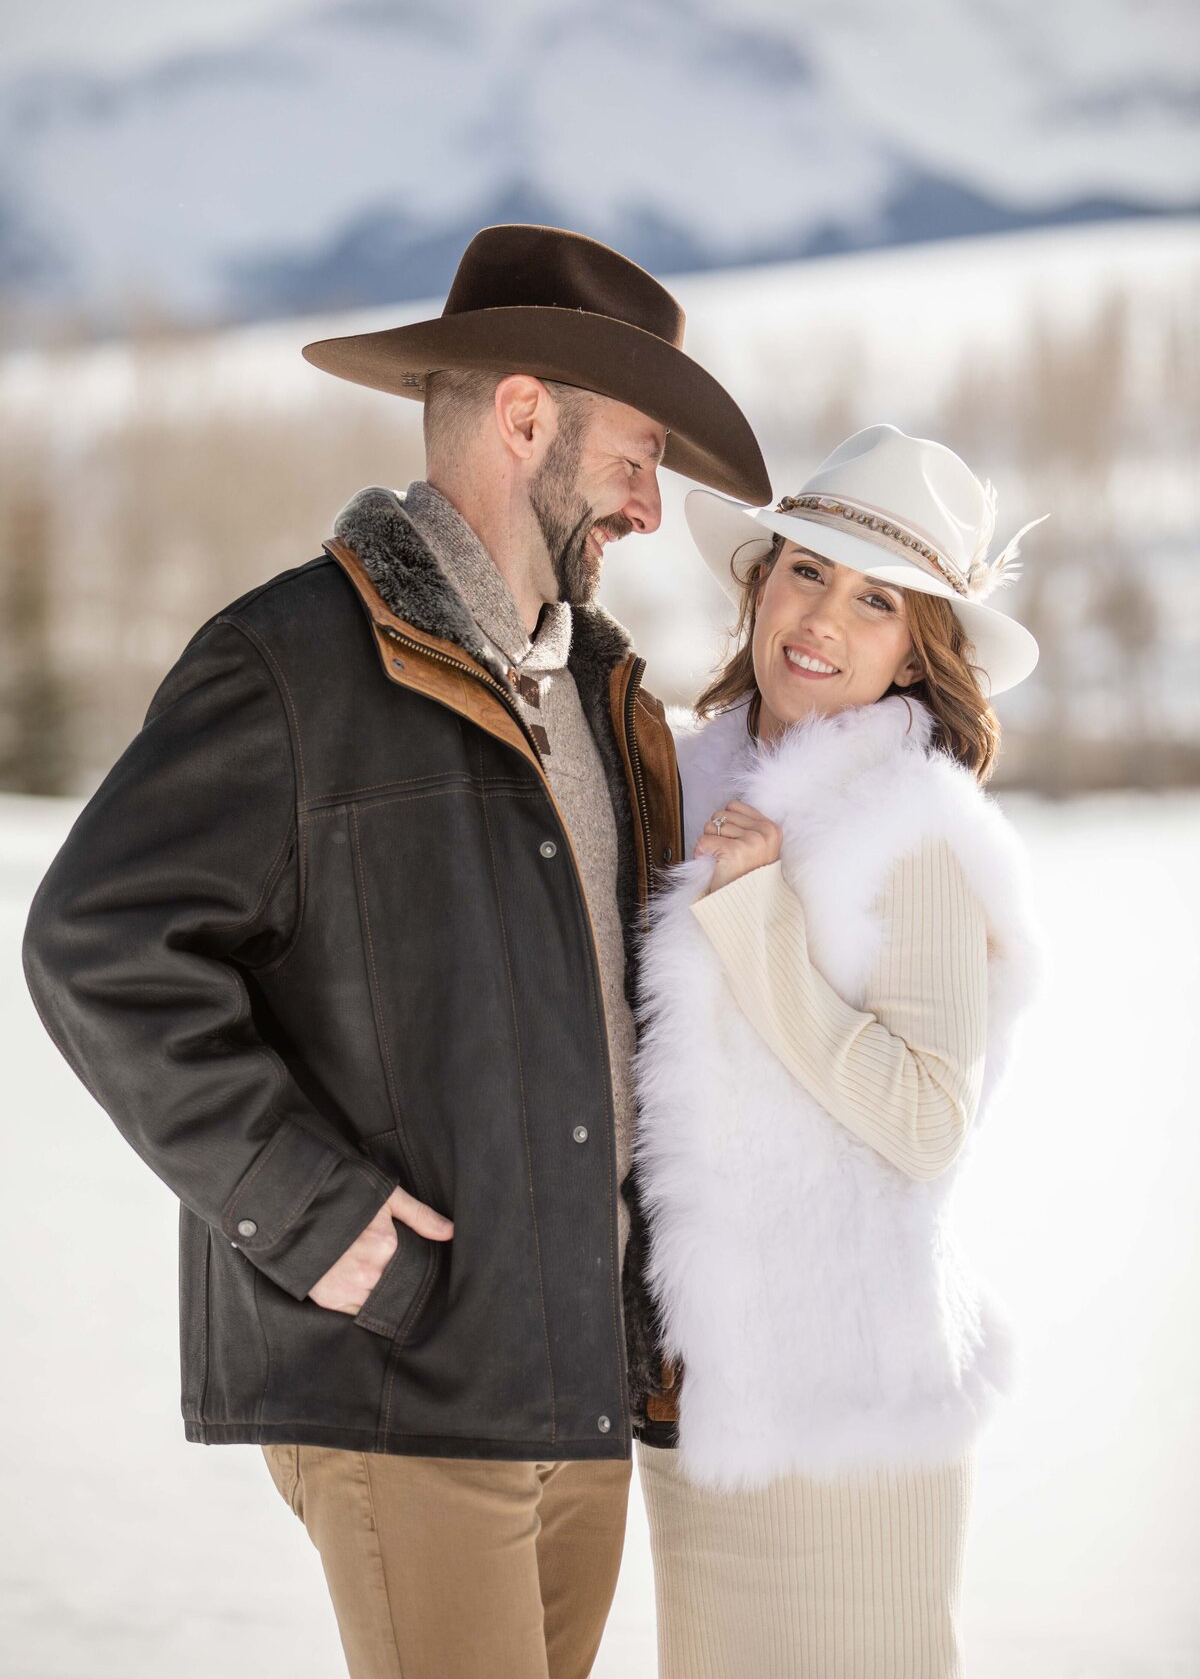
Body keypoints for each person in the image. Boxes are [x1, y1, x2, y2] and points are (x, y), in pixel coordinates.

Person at [20, 223, 769, 1679]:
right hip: (406, 1380)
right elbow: (96, 943)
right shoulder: (290, 662)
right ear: (526, 414)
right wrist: (310, 1215)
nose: (651, 510)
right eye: (637, 456)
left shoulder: (600, 693)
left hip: (575, 1387)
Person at [630, 424, 1050, 1679]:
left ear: (920, 650)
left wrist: (756, 924)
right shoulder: (685, 783)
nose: (823, 618)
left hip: (849, 1414)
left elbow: (927, 1121)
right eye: (807, 570)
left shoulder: (911, 829)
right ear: (759, 581)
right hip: (694, 1405)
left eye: (878, 602)